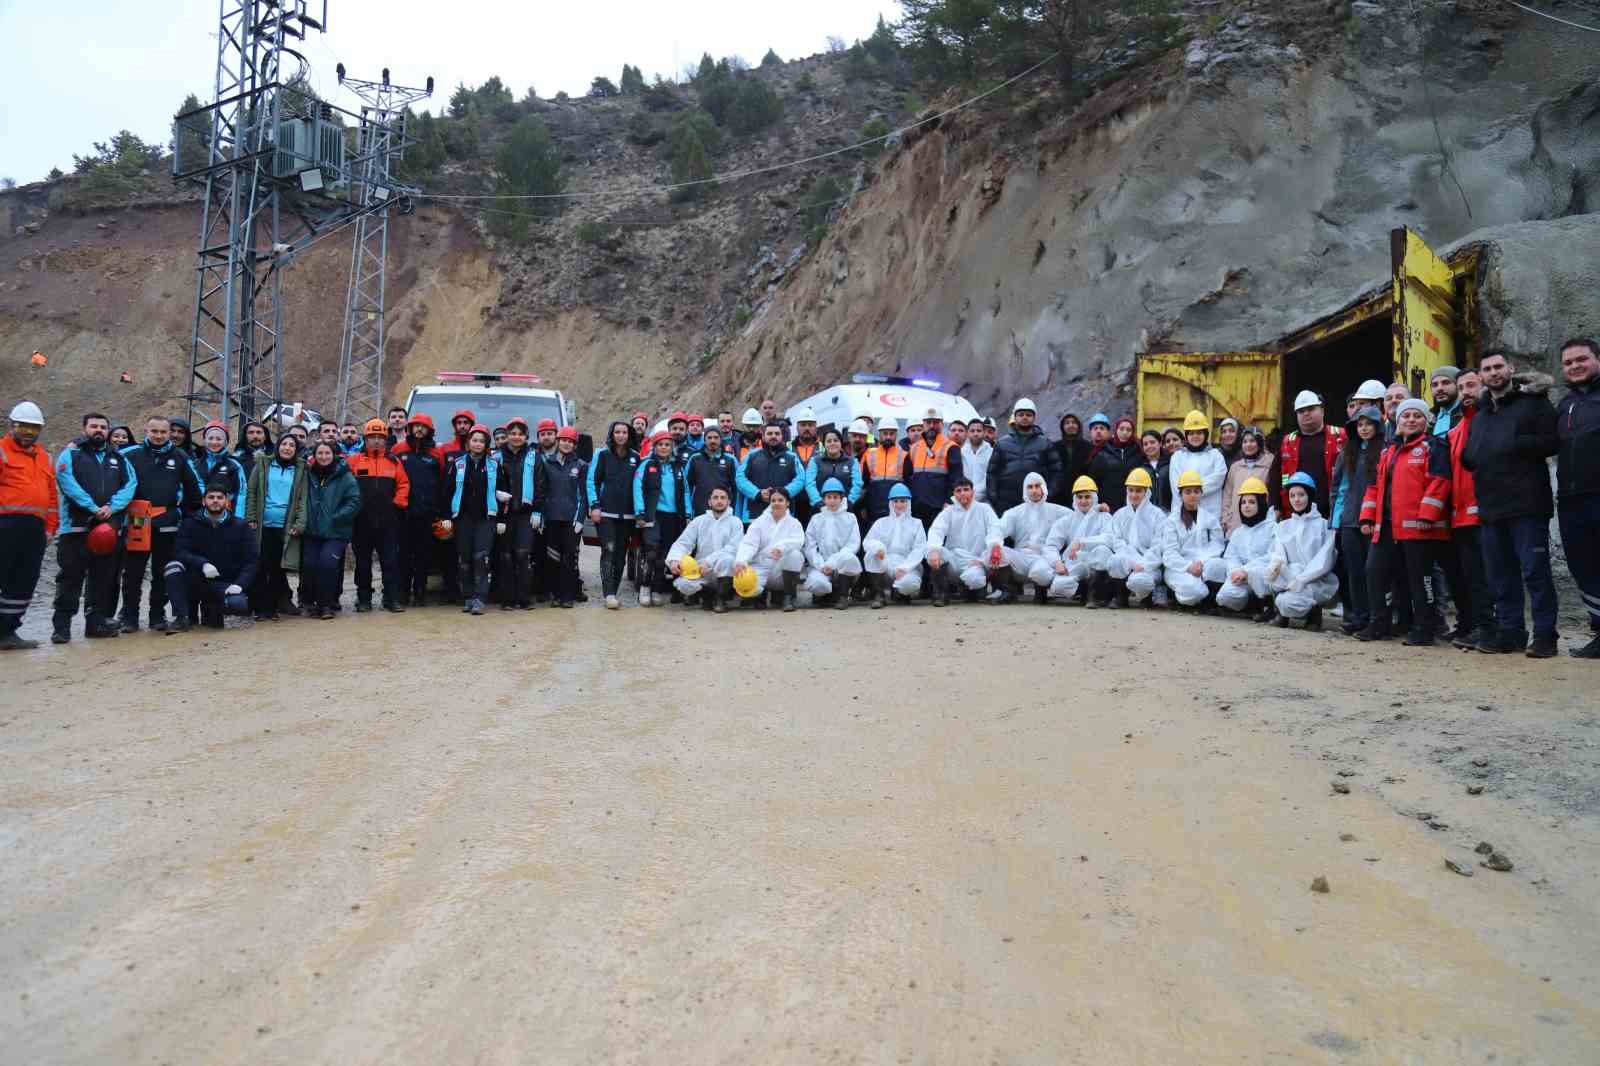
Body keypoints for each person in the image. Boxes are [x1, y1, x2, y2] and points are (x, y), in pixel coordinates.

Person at [1460, 351, 1560, 656]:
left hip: (1528, 504)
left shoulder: (1533, 403)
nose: (1493, 372)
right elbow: (1471, 454)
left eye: (1498, 366)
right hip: (1491, 507)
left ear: (1511, 369)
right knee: (1501, 576)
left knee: (1535, 572)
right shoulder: (1481, 415)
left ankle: (1545, 636)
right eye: (1487, 369)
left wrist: (1513, 443)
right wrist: (1471, 456)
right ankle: (1511, 632)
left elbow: (1552, 441)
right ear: (1481, 376)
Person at [1360, 398, 1452, 646]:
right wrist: (1367, 516)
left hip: (1418, 528)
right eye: (1406, 416)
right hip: (1386, 526)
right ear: (1397, 421)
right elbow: (1374, 487)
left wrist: (1427, 515)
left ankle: (1424, 628)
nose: (1411, 420)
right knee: (1374, 572)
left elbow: (1439, 481)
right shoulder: (1388, 451)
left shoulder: (1433, 446)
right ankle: (1379, 624)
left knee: (1420, 579)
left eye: (1417, 416)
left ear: (1426, 421)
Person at [52, 412, 137, 643]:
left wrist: (111, 507)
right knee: (70, 578)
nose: (98, 430)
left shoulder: (118, 458)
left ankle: (95, 623)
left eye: (102, 427)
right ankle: (62, 627)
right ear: (84, 428)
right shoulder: (71, 454)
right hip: (75, 529)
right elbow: (66, 481)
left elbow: (130, 484)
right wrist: (92, 507)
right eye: (93, 426)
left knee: (102, 578)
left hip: (107, 530)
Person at [118, 415, 203, 632]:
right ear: (146, 431)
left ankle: (157, 615)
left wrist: (186, 513)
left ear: (168, 433)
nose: (158, 436)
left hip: (167, 520)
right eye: (154, 431)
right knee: (133, 572)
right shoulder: (130, 454)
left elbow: (194, 489)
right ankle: (129, 617)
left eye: (163, 432)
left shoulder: (180, 457)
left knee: (162, 572)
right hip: (138, 519)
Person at [1437, 368, 1493, 649]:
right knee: (1468, 576)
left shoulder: (1489, 420)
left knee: (1488, 575)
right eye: (1463, 388)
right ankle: (1475, 626)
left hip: (1485, 511)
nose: (1466, 392)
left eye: (1471, 385)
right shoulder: (1456, 430)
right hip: (1459, 513)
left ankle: (1496, 628)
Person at [0, 401, 58, 650]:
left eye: (34, 428)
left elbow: (52, 498)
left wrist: (50, 529)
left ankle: (6, 632)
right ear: (12, 425)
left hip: (34, 530)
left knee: (24, 581)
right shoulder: (1, 451)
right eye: (23, 427)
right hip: (5, 524)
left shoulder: (44, 457)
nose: (28, 432)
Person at [1555, 337, 1600, 658]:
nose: (1575, 366)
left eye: (1581, 359)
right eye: (1568, 363)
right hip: (1571, 499)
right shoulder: (1565, 404)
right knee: (1583, 566)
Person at [166, 484, 258, 632]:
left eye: (220, 497)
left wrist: (239, 584)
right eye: (211, 497)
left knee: (237, 603)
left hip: (223, 582)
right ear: (204, 501)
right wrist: (203, 563)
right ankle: (182, 617)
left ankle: (212, 610)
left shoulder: (241, 526)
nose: (215, 501)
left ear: (227, 501)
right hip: (195, 578)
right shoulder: (190, 523)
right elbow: (180, 552)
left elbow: (251, 561)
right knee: (173, 568)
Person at [344, 418, 411, 613]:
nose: (376, 440)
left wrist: (397, 503)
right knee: (363, 563)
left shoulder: (393, 461)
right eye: (372, 437)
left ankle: (391, 598)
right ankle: (364, 599)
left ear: (385, 439)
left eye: (380, 437)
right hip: (361, 521)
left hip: (388, 521)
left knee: (390, 562)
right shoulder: (354, 461)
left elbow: (404, 484)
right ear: (365, 439)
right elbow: (344, 486)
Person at [1261, 471, 1339, 629]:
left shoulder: (1324, 526)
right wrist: (1275, 567)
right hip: (1290, 580)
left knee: (1289, 601)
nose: (1296, 500)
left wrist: (1302, 579)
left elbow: (1325, 560)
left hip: (1315, 582)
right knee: (1271, 576)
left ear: (1310, 495)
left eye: (1301, 495)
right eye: (1292, 495)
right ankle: (1282, 613)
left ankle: (1313, 613)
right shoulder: (1284, 526)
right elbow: (1279, 553)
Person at [1330, 406, 1382, 635]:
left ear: (1377, 426)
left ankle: (1376, 617)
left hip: (1373, 521)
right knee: (1354, 571)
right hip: (1349, 520)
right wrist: (1336, 520)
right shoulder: (1347, 453)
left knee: (1374, 572)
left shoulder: (1384, 451)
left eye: (1369, 424)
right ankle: (1358, 617)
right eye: (1360, 425)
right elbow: (1338, 488)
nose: (1364, 428)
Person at [294, 441, 360, 620]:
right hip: (312, 530)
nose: (323, 457)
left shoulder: (345, 475)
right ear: (314, 456)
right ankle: (308, 601)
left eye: (327, 453)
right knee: (309, 566)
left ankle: (326, 604)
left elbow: (354, 500)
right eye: (320, 453)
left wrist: (337, 516)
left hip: (336, 531)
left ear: (334, 455)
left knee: (327, 564)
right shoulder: (308, 474)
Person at [244, 433, 306, 620]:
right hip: (264, 524)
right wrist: (251, 516)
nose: (287, 448)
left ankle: (278, 604)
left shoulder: (301, 469)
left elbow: (303, 498)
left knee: (280, 566)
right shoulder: (263, 464)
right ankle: (264, 607)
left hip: (286, 526)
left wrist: (299, 522)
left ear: (296, 450)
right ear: (278, 446)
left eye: (292, 445)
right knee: (263, 565)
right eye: (284, 444)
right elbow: (252, 491)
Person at [442, 425, 499, 615]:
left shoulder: (494, 465)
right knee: (464, 559)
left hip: (486, 518)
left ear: (486, 444)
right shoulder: (457, 464)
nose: (478, 444)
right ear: (468, 442)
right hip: (463, 518)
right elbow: (446, 491)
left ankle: (480, 598)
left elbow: (503, 491)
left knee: (481, 558)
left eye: (482, 441)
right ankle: (467, 597)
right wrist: (446, 516)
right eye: (474, 440)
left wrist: (501, 519)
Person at [394, 413, 447, 607]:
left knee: (423, 553)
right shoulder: (398, 450)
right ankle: (403, 592)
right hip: (403, 512)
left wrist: (440, 510)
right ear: (410, 428)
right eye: (415, 426)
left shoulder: (437, 453)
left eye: (423, 426)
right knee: (403, 554)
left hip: (428, 512)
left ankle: (420, 591)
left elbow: (443, 482)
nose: (419, 429)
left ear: (429, 430)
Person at [532, 425, 588, 608]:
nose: (566, 444)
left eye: (570, 441)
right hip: (552, 519)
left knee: (569, 558)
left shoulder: (581, 465)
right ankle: (555, 595)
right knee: (553, 558)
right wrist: (540, 513)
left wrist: (580, 518)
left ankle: (567, 596)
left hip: (572, 521)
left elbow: (584, 495)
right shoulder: (546, 463)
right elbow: (541, 490)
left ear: (575, 445)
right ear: (558, 441)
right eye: (563, 440)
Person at [1094, 466, 1165, 609]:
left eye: (1138, 491)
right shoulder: (1120, 515)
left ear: (1147, 492)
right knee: (1115, 560)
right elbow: (1116, 541)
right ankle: (1121, 596)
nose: (1134, 495)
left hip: (1148, 565)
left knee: (1141, 581)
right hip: (1127, 560)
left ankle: (1146, 598)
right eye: (1131, 490)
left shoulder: (1158, 516)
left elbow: (1159, 546)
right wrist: (1132, 560)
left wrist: (1144, 563)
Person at [926, 477, 1002, 605]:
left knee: (975, 580)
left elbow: (995, 529)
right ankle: (941, 594)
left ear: (973, 492)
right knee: (933, 552)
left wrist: (991, 550)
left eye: (966, 489)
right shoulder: (949, 511)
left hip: (975, 561)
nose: (962, 493)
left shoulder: (984, 509)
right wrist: (934, 550)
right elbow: (936, 530)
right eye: (958, 490)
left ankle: (971, 591)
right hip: (954, 559)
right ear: (954, 494)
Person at [667, 486, 744, 612]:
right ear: (709, 502)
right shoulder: (699, 521)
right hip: (701, 570)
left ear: (729, 502)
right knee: (682, 584)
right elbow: (683, 543)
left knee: (728, 560)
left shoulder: (735, 522)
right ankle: (707, 596)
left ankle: (720, 598)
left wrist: (709, 562)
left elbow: (733, 548)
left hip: (724, 570)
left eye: (723, 498)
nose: (719, 501)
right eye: (715, 498)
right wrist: (674, 559)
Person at [589, 421, 640, 609]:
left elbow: (639, 486)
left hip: (628, 516)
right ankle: (609, 594)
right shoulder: (602, 455)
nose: (620, 435)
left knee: (620, 555)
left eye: (624, 432)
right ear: (612, 434)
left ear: (629, 435)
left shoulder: (636, 457)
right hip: (606, 513)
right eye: (617, 432)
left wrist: (640, 512)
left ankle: (614, 591)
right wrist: (595, 506)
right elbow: (592, 481)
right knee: (608, 550)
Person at [1037, 475, 1113, 603]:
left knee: (1103, 551)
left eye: (1087, 497)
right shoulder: (1066, 521)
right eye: (1080, 497)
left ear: (1094, 498)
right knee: (1058, 587)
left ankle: (1098, 591)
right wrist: (1057, 562)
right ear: (1074, 499)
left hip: (1095, 562)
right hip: (1074, 563)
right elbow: (1050, 545)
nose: (1083, 501)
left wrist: (1082, 543)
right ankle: (1084, 590)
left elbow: (1110, 539)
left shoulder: (1104, 517)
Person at [1160, 469, 1227, 611]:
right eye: (1188, 492)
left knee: (1219, 566)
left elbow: (1217, 544)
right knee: (1193, 590)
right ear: (1181, 494)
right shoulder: (1172, 521)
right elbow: (1169, 554)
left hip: (1203, 564)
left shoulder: (1210, 518)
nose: (1192, 495)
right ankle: (1184, 598)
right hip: (1179, 568)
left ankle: (1208, 601)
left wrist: (1201, 561)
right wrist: (1188, 566)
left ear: (1201, 493)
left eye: (1196, 491)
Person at [635, 432, 689, 606]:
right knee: (652, 552)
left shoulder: (678, 467)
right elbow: (637, 487)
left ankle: (656, 589)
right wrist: (640, 512)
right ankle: (645, 587)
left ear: (672, 447)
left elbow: (686, 491)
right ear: (654, 446)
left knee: (665, 555)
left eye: (667, 444)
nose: (664, 447)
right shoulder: (647, 464)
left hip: (673, 516)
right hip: (653, 514)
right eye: (660, 444)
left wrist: (688, 513)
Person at [733, 484, 805, 611]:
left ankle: (788, 596)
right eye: (773, 500)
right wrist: (741, 560)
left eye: (780, 500)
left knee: (795, 555)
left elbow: (798, 541)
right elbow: (749, 543)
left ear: (787, 503)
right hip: (761, 566)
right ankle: (761, 594)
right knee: (749, 589)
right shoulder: (759, 522)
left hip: (780, 568)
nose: (776, 503)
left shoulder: (794, 523)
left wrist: (781, 548)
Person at [998, 471, 1067, 603]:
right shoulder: (1015, 512)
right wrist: (994, 545)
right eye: (1030, 487)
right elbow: (998, 530)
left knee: (1040, 572)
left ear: (1044, 487)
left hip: (1044, 558)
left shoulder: (1058, 511)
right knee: (995, 551)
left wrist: (1097, 509)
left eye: (1037, 486)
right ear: (1025, 490)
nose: (1034, 490)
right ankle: (1008, 591)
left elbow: (1079, 517)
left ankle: (1041, 592)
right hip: (1021, 557)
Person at [492, 417, 538, 611]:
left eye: (520, 434)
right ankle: (507, 599)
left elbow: (541, 484)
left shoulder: (534, 456)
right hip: (504, 513)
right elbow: (490, 484)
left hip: (526, 513)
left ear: (526, 436)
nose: (516, 437)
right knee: (505, 556)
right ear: (507, 435)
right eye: (512, 433)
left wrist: (538, 511)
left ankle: (524, 598)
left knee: (523, 554)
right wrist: (497, 500)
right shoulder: (496, 457)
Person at [1214, 477, 1277, 618]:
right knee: (1225, 596)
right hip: (1241, 577)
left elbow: (1273, 556)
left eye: (1252, 502)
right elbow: (1231, 557)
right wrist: (1236, 571)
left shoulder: (1273, 528)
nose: (1247, 506)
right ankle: (1251, 606)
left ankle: (1268, 605)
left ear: (1261, 503)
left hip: (1262, 577)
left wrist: (1246, 571)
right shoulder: (1238, 532)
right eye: (1243, 502)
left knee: (1257, 573)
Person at [986, 398, 1061, 513]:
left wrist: (1048, 495)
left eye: (1028, 415)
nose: (1025, 417)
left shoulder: (1045, 443)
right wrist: (995, 499)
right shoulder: (1002, 444)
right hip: (1006, 504)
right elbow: (991, 473)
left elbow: (1056, 472)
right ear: (1015, 417)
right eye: (1021, 414)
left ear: (1034, 418)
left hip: (1037, 503)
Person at [1277, 391, 1343, 519]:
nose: (1306, 413)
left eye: (1311, 409)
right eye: (1301, 411)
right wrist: (1277, 506)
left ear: (1322, 410)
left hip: (1333, 513)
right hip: (1297, 514)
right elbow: (1277, 477)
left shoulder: (1341, 436)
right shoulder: (1287, 442)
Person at [862, 483, 927, 607]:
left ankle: (901, 593)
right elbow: (868, 541)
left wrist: (905, 567)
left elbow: (919, 549)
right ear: (890, 503)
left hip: (907, 565)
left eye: (902, 501)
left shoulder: (916, 524)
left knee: (910, 584)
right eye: (895, 501)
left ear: (908, 503)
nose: (899, 505)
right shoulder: (881, 523)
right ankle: (879, 594)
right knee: (871, 555)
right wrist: (878, 548)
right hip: (885, 563)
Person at [801, 478, 862, 608]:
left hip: (841, 563)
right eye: (829, 497)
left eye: (835, 497)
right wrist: (821, 565)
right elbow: (810, 547)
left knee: (850, 559)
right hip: (821, 565)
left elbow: (853, 544)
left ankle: (842, 596)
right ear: (824, 499)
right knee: (816, 584)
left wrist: (833, 563)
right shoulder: (816, 519)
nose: (832, 501)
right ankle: (825, 595)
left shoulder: (850, 518)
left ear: (841, 499)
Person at [1167, 410, 1227, 525]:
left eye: (1199, 433)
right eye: (1191, 433)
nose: (1195, 436)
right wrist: (1195, 491)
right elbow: (1176, 485)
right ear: (1186, 436)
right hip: (1182, 513)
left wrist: (1189, 490)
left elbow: (1217, 480)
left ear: (1205, 434)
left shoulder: (1216, 455)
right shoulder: (1177, 457)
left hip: (1210, 513)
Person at [904, 406, 960, 528]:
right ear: (923, 424)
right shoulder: (914, 448)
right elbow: (906, 477)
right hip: (917, 507)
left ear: (942, 424)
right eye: (928, 422)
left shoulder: (951, 447)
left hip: (940, 508)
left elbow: (956, 479)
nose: (931, 426)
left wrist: (949, 501)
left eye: (935, 422)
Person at [737, 421, 803, 522]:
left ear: (782, 437)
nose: (773, 436)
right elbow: (740, 478)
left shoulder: (792, 457)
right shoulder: (752, 456)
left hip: (784, 515)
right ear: (763, 437)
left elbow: (800, 479)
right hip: (755, 513)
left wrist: (784, 493)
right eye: (769, 433)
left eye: (777, 434)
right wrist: (757, 493)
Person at [1219, 426, 1274, 535]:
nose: (1248, 445)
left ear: (1260, 443)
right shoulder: (1235, 467)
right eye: (1245, 442)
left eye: (1252, 441)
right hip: (1235, 527)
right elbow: (1227, 495)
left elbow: (1273, 495)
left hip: (1261, 527)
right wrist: (1226, 519)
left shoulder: (1269, 465)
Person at [191, 421, 247, 517]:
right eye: (210, 438)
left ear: (226, 442)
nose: (214, 442)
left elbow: (241, 494)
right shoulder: (195, 465)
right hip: (198, 516)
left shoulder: (234, 465)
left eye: (219, 439)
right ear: (205, 440)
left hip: (225, 516)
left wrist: (238, 518)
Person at [1086, 417, 1140, 514]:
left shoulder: (1139, 452)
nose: (1124, 432)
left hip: (1133, 506)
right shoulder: (1103, 452)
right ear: (1116, 431)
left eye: (1128, 430)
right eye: (1121, 429)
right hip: (1107, 507)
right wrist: (1097, 503)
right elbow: (1093, 481)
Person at [685, 426, 739, 517]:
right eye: (709, 438)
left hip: (724, 511)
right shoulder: (695, 459)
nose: (712, 441)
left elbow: (736, 488)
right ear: (704, 440)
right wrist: (688, 510)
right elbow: (686, 487)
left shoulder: (730, 460)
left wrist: (733, 509)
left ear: (721, 439)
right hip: (700, 510)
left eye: (716, 437)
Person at [805, 428, 861, 510]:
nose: (832, 443)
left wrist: (849, 502)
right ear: (824, 444)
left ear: (841, 443)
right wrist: (818, 502)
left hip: (846, 508)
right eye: (829, 441)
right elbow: (809, 483)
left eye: (835, 440)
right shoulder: (815, 461)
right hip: (820, 508)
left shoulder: (852, 462)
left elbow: (857, 483)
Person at [1052, 414, 1091, 501]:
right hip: (1058, 495)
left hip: (1082, 494)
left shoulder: (1088, 447)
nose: (1071, 425)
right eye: (1067, 423)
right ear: (1062, 428)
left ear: (1078, 426)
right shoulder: (1055, 447)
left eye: (1074, 422)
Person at [960, 415, 993, 503]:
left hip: (985, 500)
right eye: (972, 431)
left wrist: (975, 493)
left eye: (979, 431)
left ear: (984, 432)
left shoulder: (991, 452)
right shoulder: (962, 452)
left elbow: (989, 477)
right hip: (964, 498)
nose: (975, 433)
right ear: (967, 433)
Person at [1136, 430, 1170, 511]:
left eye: (1152, 442)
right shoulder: (1139, 467)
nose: (1149, 446)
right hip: (1147, 512)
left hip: (1168, 511)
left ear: (1160, 443)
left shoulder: (1170, 463)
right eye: (1145, 444)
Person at [1430, 366, 1463, 436]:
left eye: (1446, 383)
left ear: (1458, 386)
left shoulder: (1467, 415)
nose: (1439, 388)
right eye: (1435, 385)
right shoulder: (1429, 418)